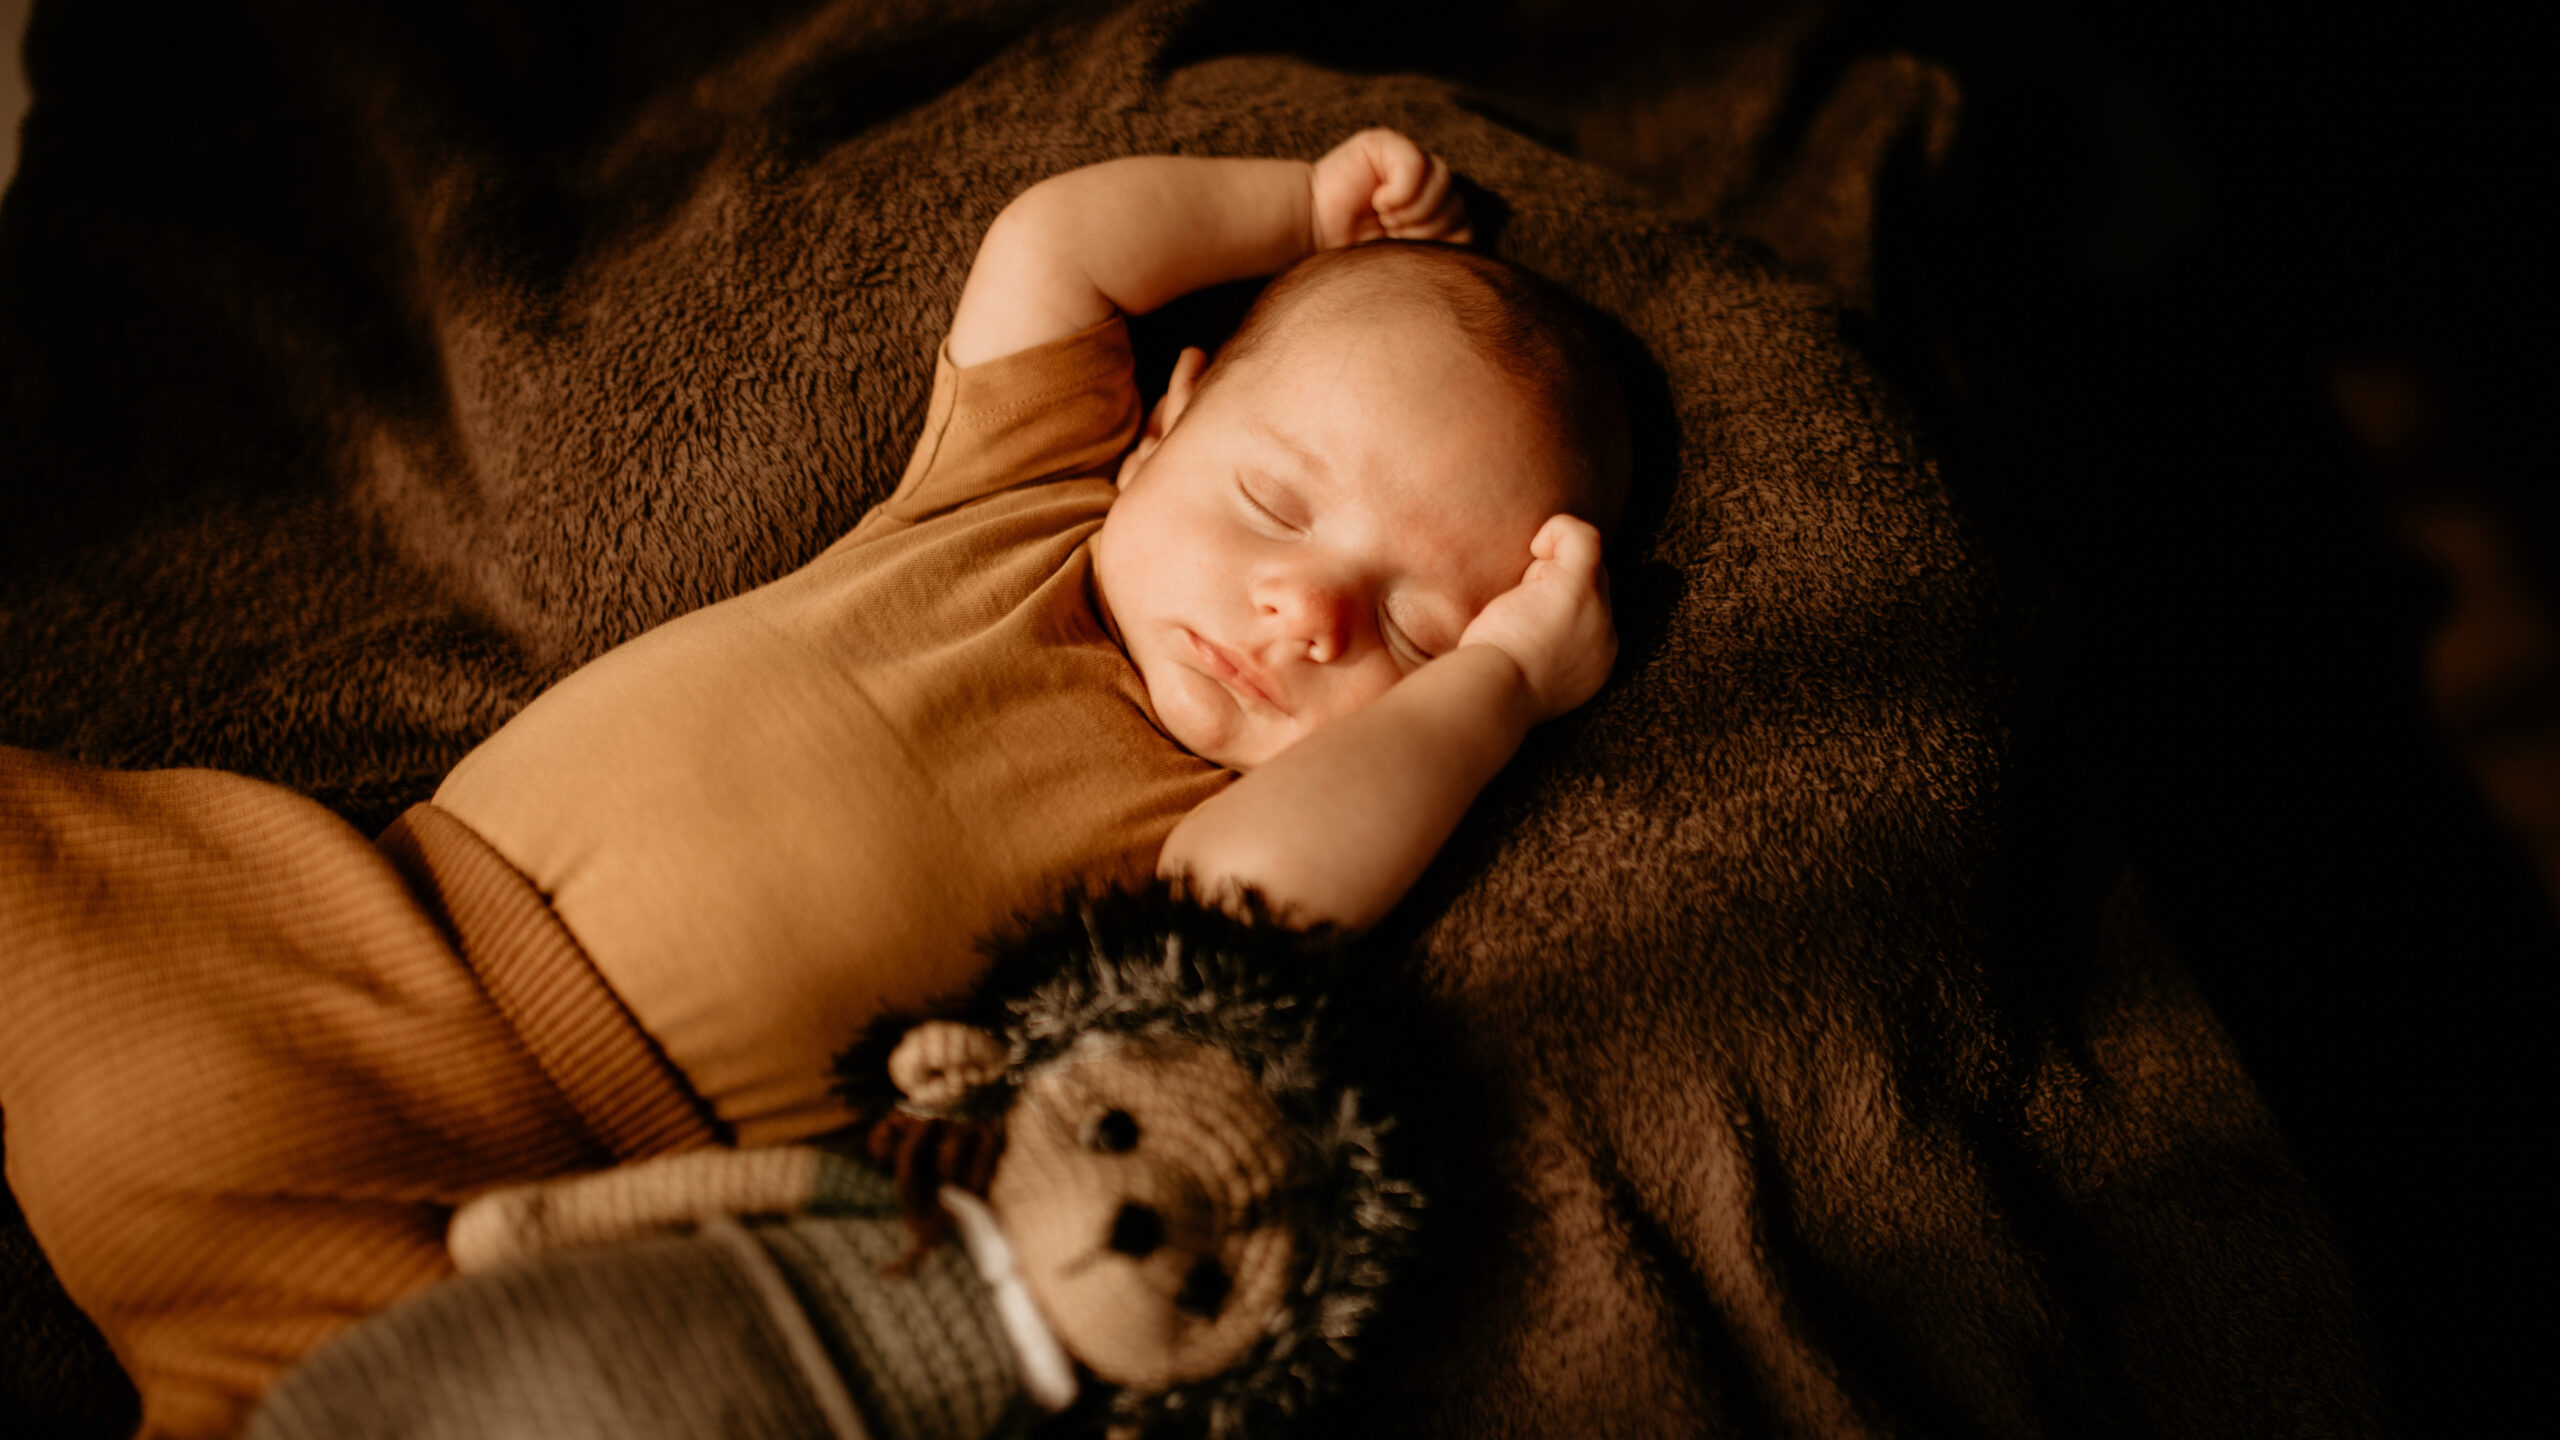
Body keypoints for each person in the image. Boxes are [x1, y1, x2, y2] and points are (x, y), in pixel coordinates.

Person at [0, 128, 1626, 1439]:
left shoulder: (1187, 847)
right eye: (1272, 501)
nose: (1307, 609)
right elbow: (1052, 254)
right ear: (1166, 419)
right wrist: (1297, 207)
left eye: (1409, 624)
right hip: (330, 947)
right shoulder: (1011, 496)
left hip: (580, 1247)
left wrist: (1500, 688)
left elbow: (1271, 898)